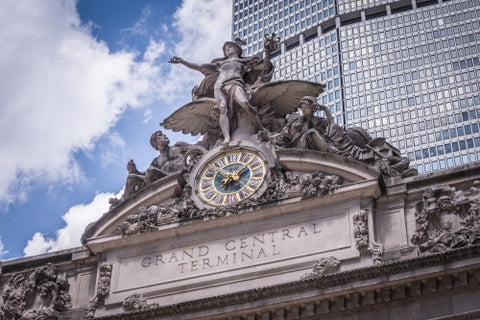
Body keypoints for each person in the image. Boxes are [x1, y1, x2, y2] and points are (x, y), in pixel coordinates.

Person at [169, 39, 273, 143]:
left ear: (237, 49)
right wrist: (182, 61)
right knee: (222, 108)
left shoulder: (245, 61)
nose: (227, 49)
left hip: (235, 83)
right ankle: (227, 137)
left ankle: (261, 128)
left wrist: (267, 53)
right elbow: (200, 67)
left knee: (245, 103)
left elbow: (265, 67)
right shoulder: (220, 63)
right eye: (225, 49)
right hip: (219, 85)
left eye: (229, 47)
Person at [276, 96, 372, 160]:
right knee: (311, 133)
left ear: (313, 108)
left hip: (320, 144)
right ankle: (338, 155)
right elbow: (287, 134)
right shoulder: (297, 121)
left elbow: (331, 125)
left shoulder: (319, 120)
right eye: (302, 108)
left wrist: (326, 109)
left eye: (306, 107)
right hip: (301, 145)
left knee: (333, 127)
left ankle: (353, 152)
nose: (303, 110)